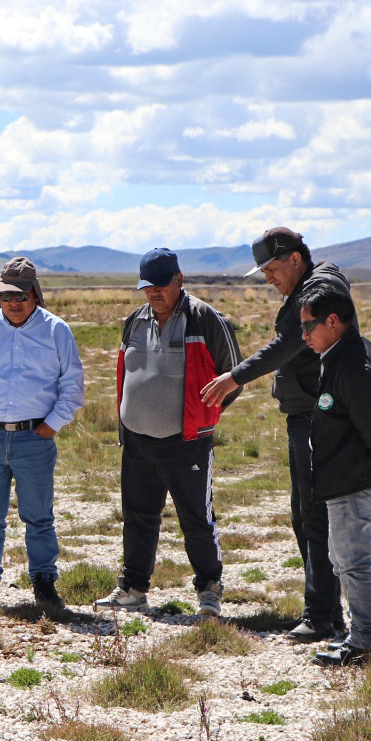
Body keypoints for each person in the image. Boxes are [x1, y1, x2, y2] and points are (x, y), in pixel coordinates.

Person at [200, 228, 351, 643]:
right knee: (305, 515)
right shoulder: (312, 287)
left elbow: (288, 344)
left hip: (317, 417)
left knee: (314, 516)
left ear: (295, 259)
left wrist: (235, 377)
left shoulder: (318, 290)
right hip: (306, 415)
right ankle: (324, 611)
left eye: (271, 268)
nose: (268, 277)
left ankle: (321, 616)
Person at [95, 249, 242, 617]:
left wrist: (202, 416)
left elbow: (234, 376)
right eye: (147, 287)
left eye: (161, 285)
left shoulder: (205, 318)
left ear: (179, 280)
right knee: (138, 517)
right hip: (138, 442)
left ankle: (209, 592)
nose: (153, 293)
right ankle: (133, 588)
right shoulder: (135, 321)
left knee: (196, 519)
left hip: (187, 444)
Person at [0, 256, 84, 613]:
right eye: (6, 296)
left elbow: (71, 385)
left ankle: (43, 584)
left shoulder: (56, 330)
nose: (14, 303)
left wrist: (51, 425)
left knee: (39, 517)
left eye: (21, 296)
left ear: (35, 296)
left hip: (34, 439)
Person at [296, 284, 371, 667]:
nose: (304, 335)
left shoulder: (354, 364)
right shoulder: (345, 354)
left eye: (308, 326)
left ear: (332, 321)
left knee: (353, 560)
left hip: (353, 478)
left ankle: (365, 640)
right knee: (342, 556)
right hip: (345, 475)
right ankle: (360, 633)